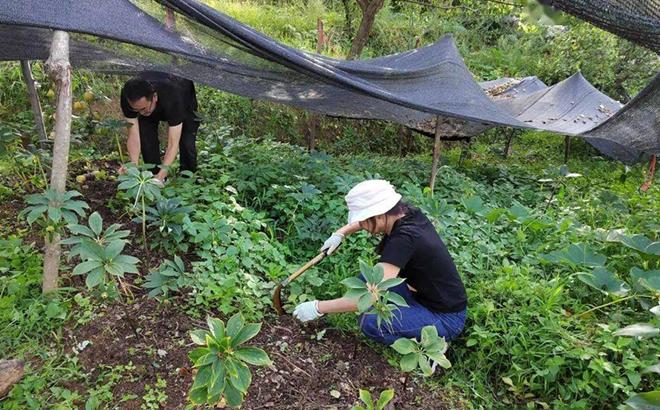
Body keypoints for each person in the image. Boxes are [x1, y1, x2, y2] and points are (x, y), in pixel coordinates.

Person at [292, 180, 467, 345]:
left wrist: (318, 307)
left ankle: (430, 347)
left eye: (363, 220)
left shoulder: (404, 239)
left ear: (380, 215)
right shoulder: (406, 214)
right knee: (365, 279)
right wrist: (341, 233)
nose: (362, 226)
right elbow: (371, 219)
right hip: (420, 296)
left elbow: (368, 299)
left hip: (444, 318)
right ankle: (345, 305)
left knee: (369, 323)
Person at [119, 71, 199, 182]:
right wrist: (133, 165)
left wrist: (163, 173)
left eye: (142, 109)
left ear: (155, 97)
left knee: (186, 143)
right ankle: (153, 176)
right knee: (146, 139)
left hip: (183, 101)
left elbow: (172, 143)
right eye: (136, 110)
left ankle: (188, 180)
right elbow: (133, 135)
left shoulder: (173, 96)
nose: (140, 113)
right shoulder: (128, 97)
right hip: (153, 103)